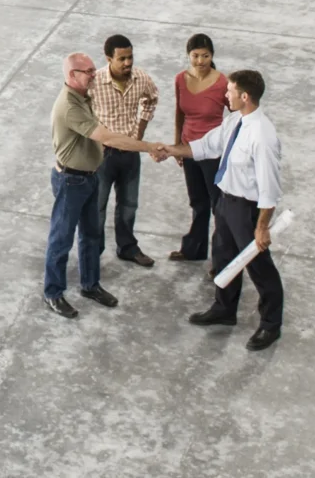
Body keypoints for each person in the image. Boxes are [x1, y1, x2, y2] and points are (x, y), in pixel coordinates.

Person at [43, 51, 171, 318]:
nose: (94, 74)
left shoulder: (84, 95)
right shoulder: (69, 106)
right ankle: (53, 292)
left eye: (93, 69)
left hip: (89, 177)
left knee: (91, 235)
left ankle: (90, 285)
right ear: (71, 75)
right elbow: (107, 137)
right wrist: (148, 147)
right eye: (88, 71)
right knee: (61, 239)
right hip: (71, 181)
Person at [189, 68, 285, 350]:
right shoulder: (235, 121)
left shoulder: (262, 135)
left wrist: (262, 227)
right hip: (226, 202)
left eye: (229, 90)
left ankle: (270, 325)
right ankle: (224, 308)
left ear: (244, 96)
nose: (225, 94)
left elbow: (270, 187)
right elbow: (209, 145)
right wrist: (171, 150)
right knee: (223, 255)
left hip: (247, 210)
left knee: (259, 268)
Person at [88, 34, 161, 269]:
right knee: (97, 206)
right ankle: (93, 251)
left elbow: (151, 99)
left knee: (129, 203)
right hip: (102, 155)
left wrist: (139, 132)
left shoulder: (140, 78)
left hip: (130, 153)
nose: (128, 63)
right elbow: (81, 112)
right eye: (122, 59)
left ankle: (127, 247)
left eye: (130, 57)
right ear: (109, 58)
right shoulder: (95, 82)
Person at [167, 34, 228, 263]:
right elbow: (179, 113)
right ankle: (194, 249)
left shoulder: (223, 83)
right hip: (189, 148)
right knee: (197, 201)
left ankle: (221, 259)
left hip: (213, 151)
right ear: (188, 55)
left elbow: (235, 118)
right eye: (195, 56)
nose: (200, 61)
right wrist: (177, 145)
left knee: (218, 205)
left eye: (205, 56)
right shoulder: (180, 79)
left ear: (212, 56)